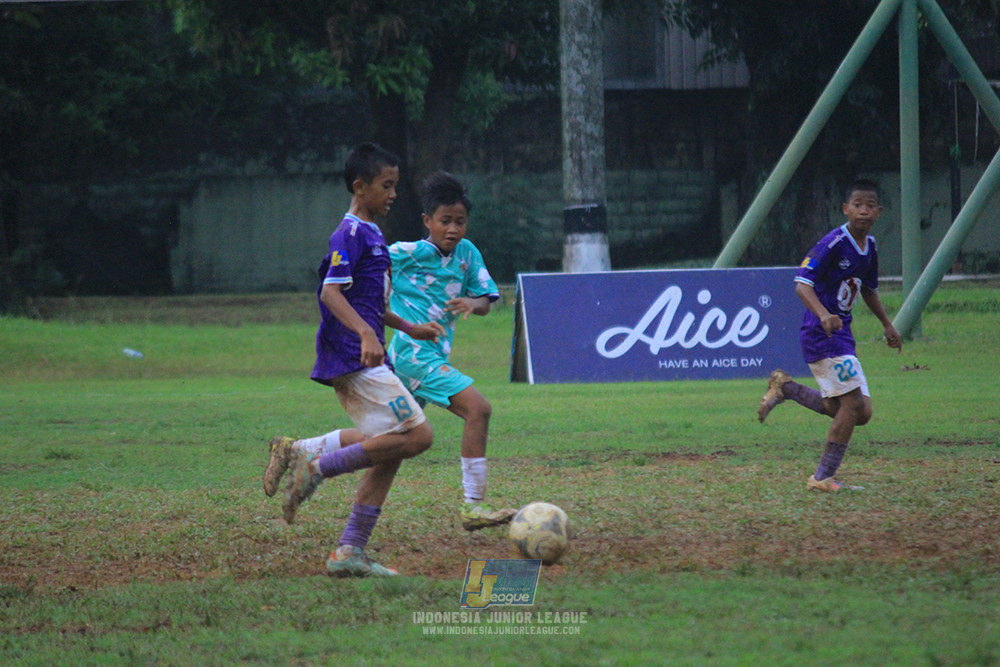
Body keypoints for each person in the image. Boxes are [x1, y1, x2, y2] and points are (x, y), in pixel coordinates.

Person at [267, 142, 445, 577]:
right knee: (418, 436)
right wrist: (366, 334)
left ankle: (349, 550)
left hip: (365, 352)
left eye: (395, 186)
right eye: (386, 186)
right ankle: (318, 465)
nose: (393, 194)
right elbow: (331, 293)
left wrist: (407, 327)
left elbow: (366, 300)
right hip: (355, 355)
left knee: (390, 450)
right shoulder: (348, 233)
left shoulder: (371, 234)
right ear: (359, 187)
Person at [386, 171, 517, 531]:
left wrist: (473, 304)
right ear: (428, 221)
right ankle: (473, 506)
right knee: (479, 409)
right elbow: (368, 264)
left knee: (386, 443)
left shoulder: (467, 253)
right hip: (413, 354)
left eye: (460, 222)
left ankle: (307, 452)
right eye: (445, 221)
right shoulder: (406, 253)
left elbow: (488, 301)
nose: (453, 229)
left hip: (426, 360)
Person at [757, 178, 902, 492]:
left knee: (860, 412)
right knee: (852, 406)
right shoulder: (834, 242)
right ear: (845, 209)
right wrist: (823, 315)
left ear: (878, 211)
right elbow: (802, 284)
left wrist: (887, 325)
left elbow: (869, 290)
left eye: (869, 206)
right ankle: (822, 478)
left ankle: (786, 388)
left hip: (842, 334)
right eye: (857, 205)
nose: (863, 211)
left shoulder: (871, 246)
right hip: (820, 333)